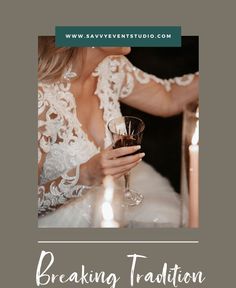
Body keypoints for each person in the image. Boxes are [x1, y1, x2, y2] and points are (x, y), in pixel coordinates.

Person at [38, 37, 199, 227]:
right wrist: (85, 175)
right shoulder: (40, 101)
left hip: (121, 196)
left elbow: (168, 97)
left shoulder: (112, 66)